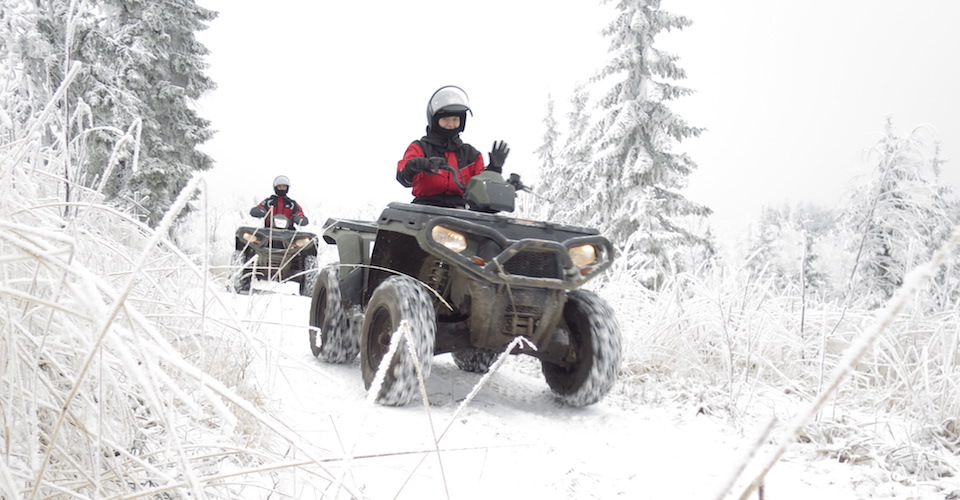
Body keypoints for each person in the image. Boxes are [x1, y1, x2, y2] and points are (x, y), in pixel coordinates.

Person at [396, 85, 509, 208]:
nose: (451, 124)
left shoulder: (471, 155)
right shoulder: (420, 148)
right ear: (435, 120)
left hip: (459, 212)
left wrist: (494, 170)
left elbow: (481, 190)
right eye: (445, 119)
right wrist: (413, 166)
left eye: (455, 119)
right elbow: (403, 177)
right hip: (424, 208)